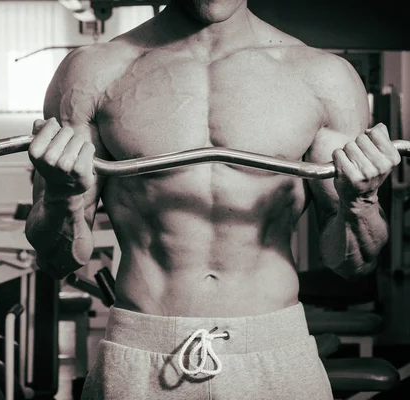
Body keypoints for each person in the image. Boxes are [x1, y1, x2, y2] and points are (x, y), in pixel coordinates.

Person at [25, 0, 401, 398]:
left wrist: (360, 202)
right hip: (143, 348)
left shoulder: (323, 77)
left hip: (274, 348)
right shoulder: (92, 72)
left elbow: (352, 265)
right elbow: (57, 260)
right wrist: (62, 196)